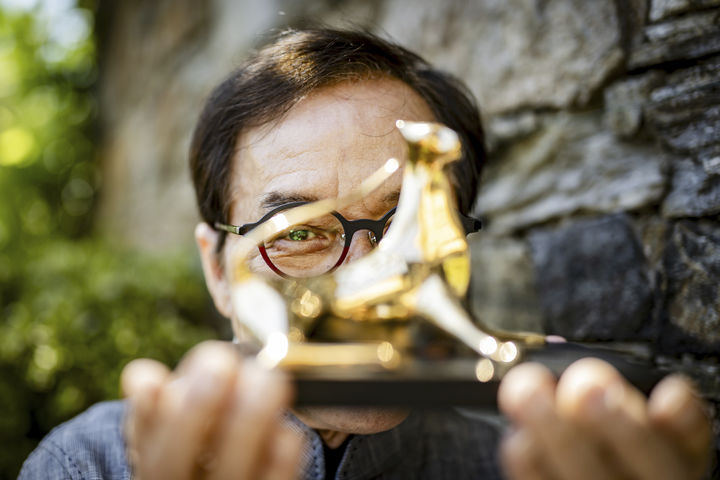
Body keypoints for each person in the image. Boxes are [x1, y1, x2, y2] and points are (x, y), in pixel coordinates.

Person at [20, 28, 712, 480]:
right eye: (298, 233)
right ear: (217, 272)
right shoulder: (86, 465)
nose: (366, 276)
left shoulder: (531, 463)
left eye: (409, 225)